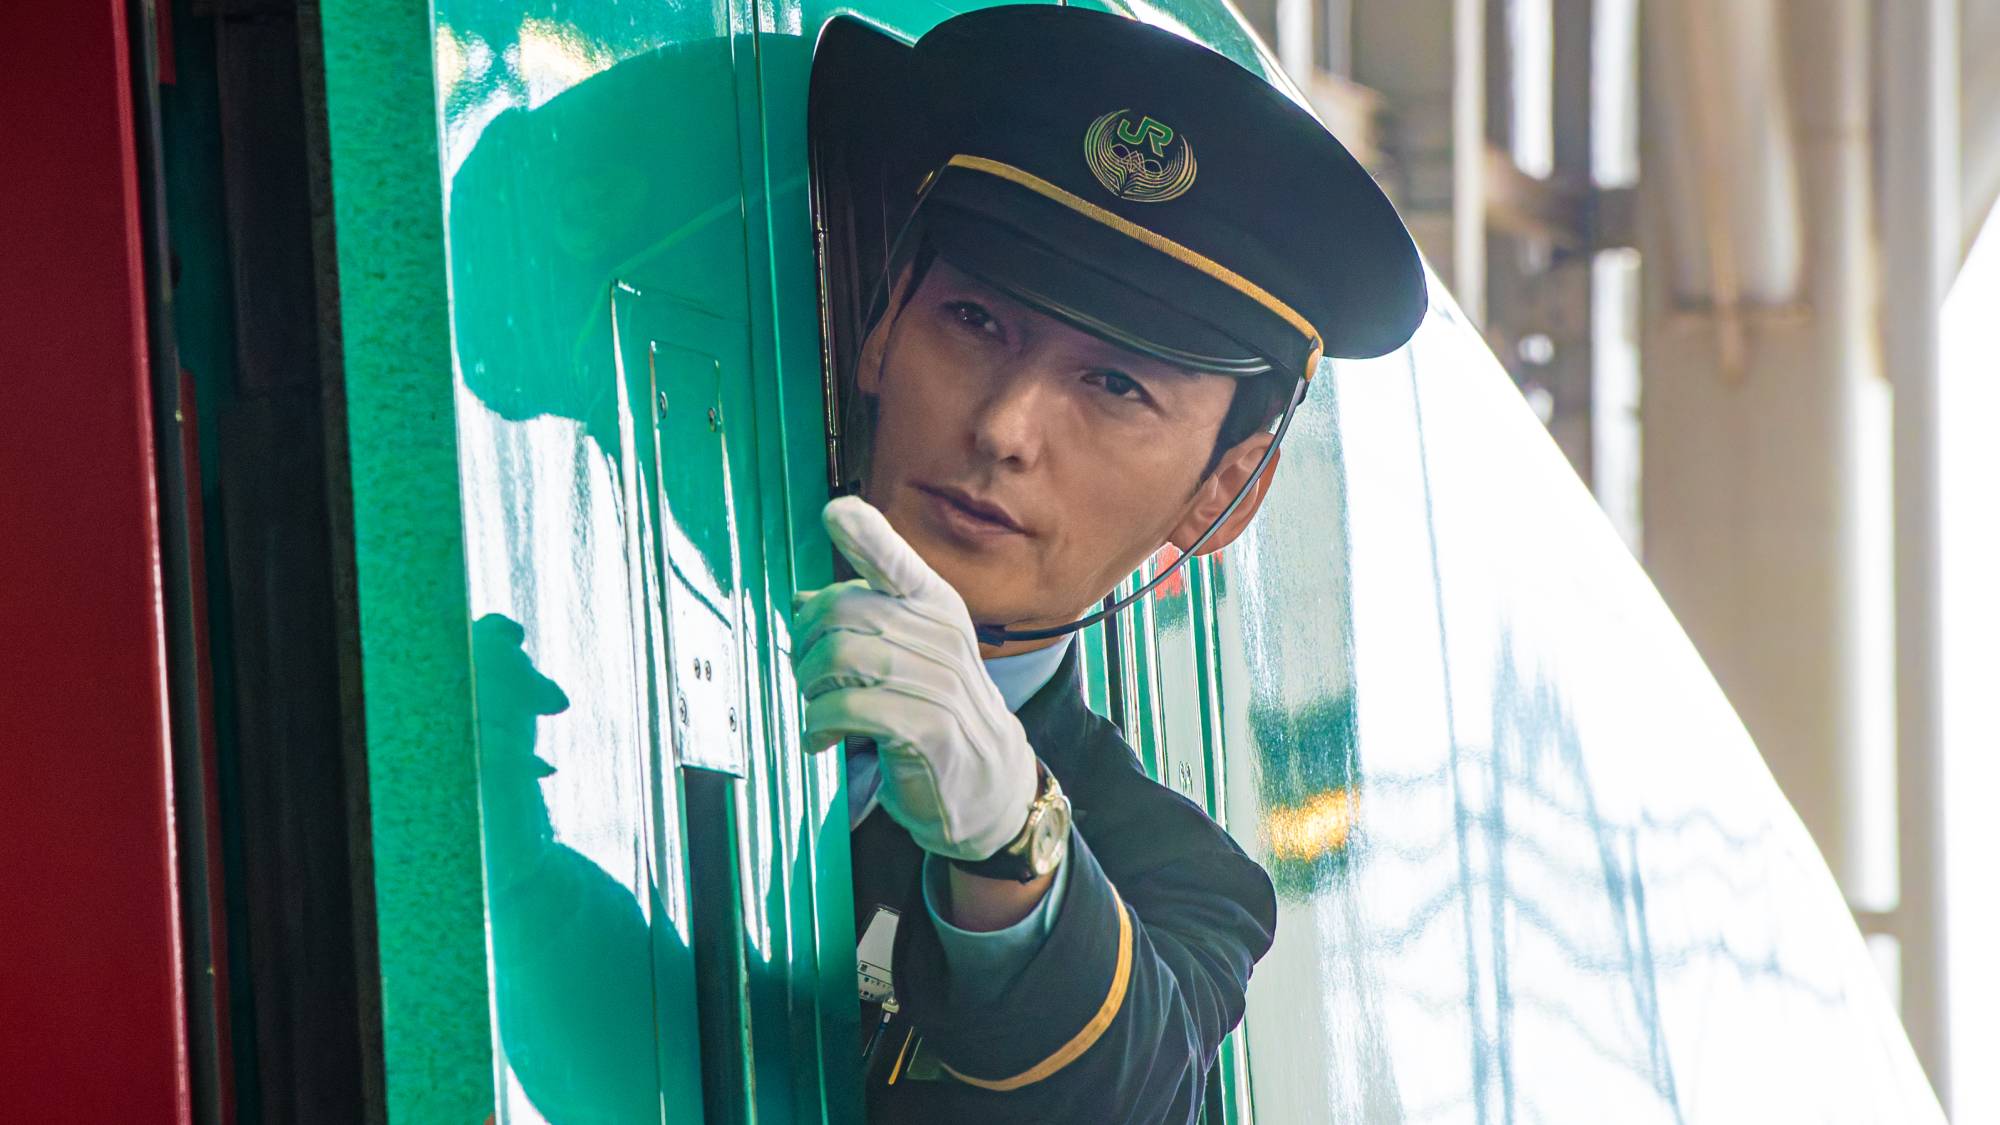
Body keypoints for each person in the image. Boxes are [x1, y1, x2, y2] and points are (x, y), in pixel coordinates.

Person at [789, 6, 1427, 1121]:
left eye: (1116, 386)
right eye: (974, 320)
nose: (1004, 427)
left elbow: (1125, 1083)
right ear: (885, 325)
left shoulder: (1178, 882)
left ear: (1224, 493)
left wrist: (1011, 839)